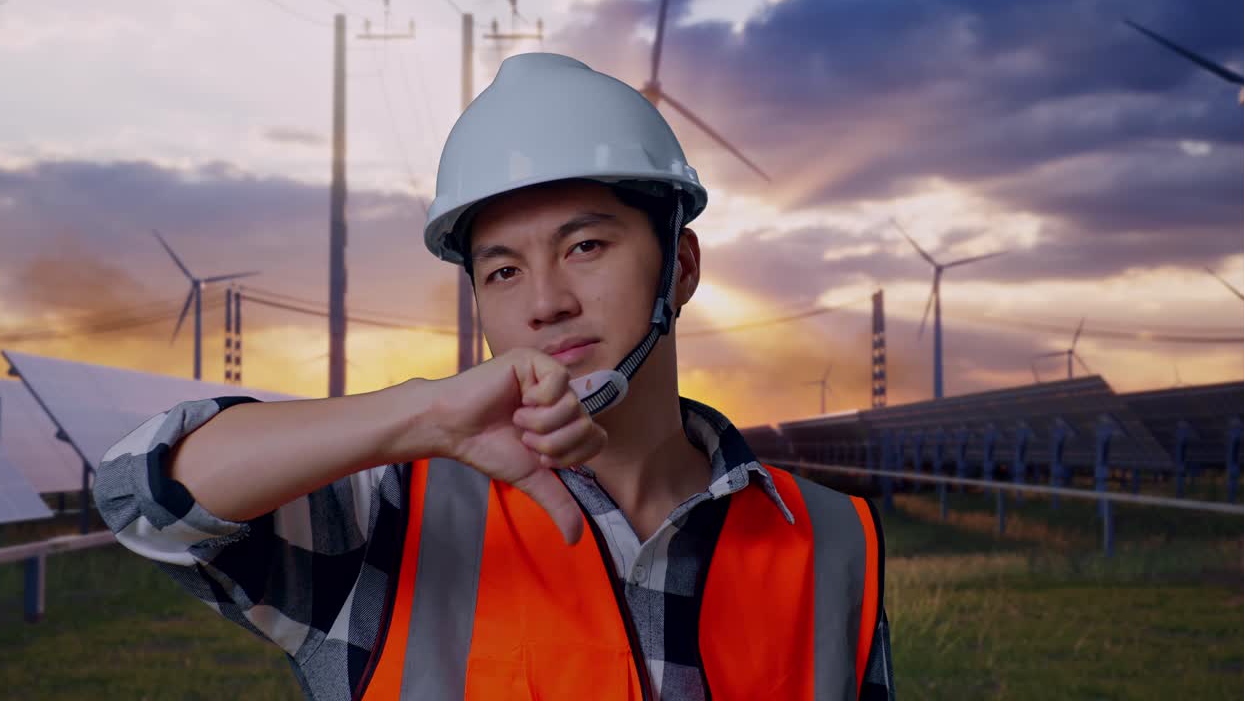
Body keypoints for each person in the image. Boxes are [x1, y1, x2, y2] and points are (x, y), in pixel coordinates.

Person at [94, 52, 895, 701]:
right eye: (504, 271)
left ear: (679, 267)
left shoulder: (831, 538)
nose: (546, 303)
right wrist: (419, 416)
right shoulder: (392, 515)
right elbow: (143, 495)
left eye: (586, 246)